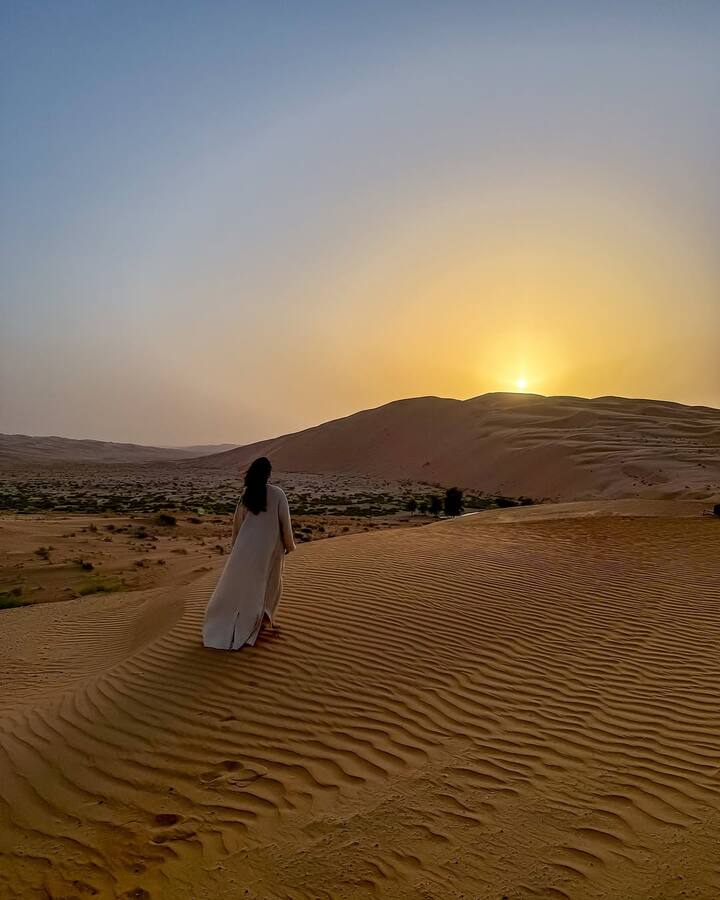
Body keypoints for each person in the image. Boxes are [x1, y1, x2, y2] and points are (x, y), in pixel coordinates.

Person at [202, 457, 296, 650]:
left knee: (243, 587)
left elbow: (238, 524)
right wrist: (289, 545)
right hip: (269, 550)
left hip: (244, 549)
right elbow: (285, 523)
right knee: (269, 585)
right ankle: (258, 622)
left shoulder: (247, 494)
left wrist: (236, 547)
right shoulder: (277, 493)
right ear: (268, 473)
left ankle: (228, 623)